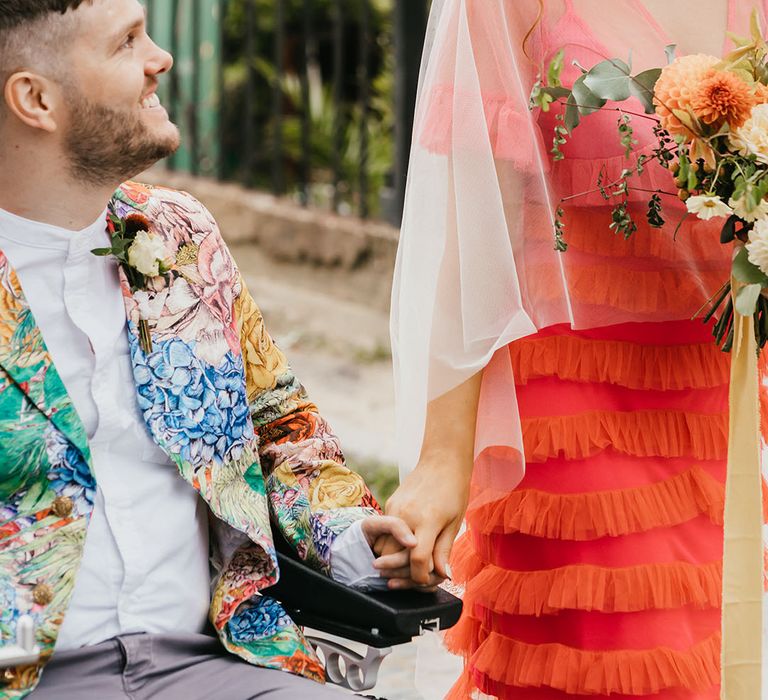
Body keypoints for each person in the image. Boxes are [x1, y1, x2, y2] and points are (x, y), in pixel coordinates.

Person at [0, 1, 421, 698]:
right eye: (127, 42)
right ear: (36, 99)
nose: (159, 57)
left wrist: (353, 538)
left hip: (215, 663)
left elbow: (282, 430)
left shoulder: (181, 235)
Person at [381, 0, 767, 697]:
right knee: (610, 661)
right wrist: (443, 458)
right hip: (572, 403)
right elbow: (474, 238)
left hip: (712, 403)